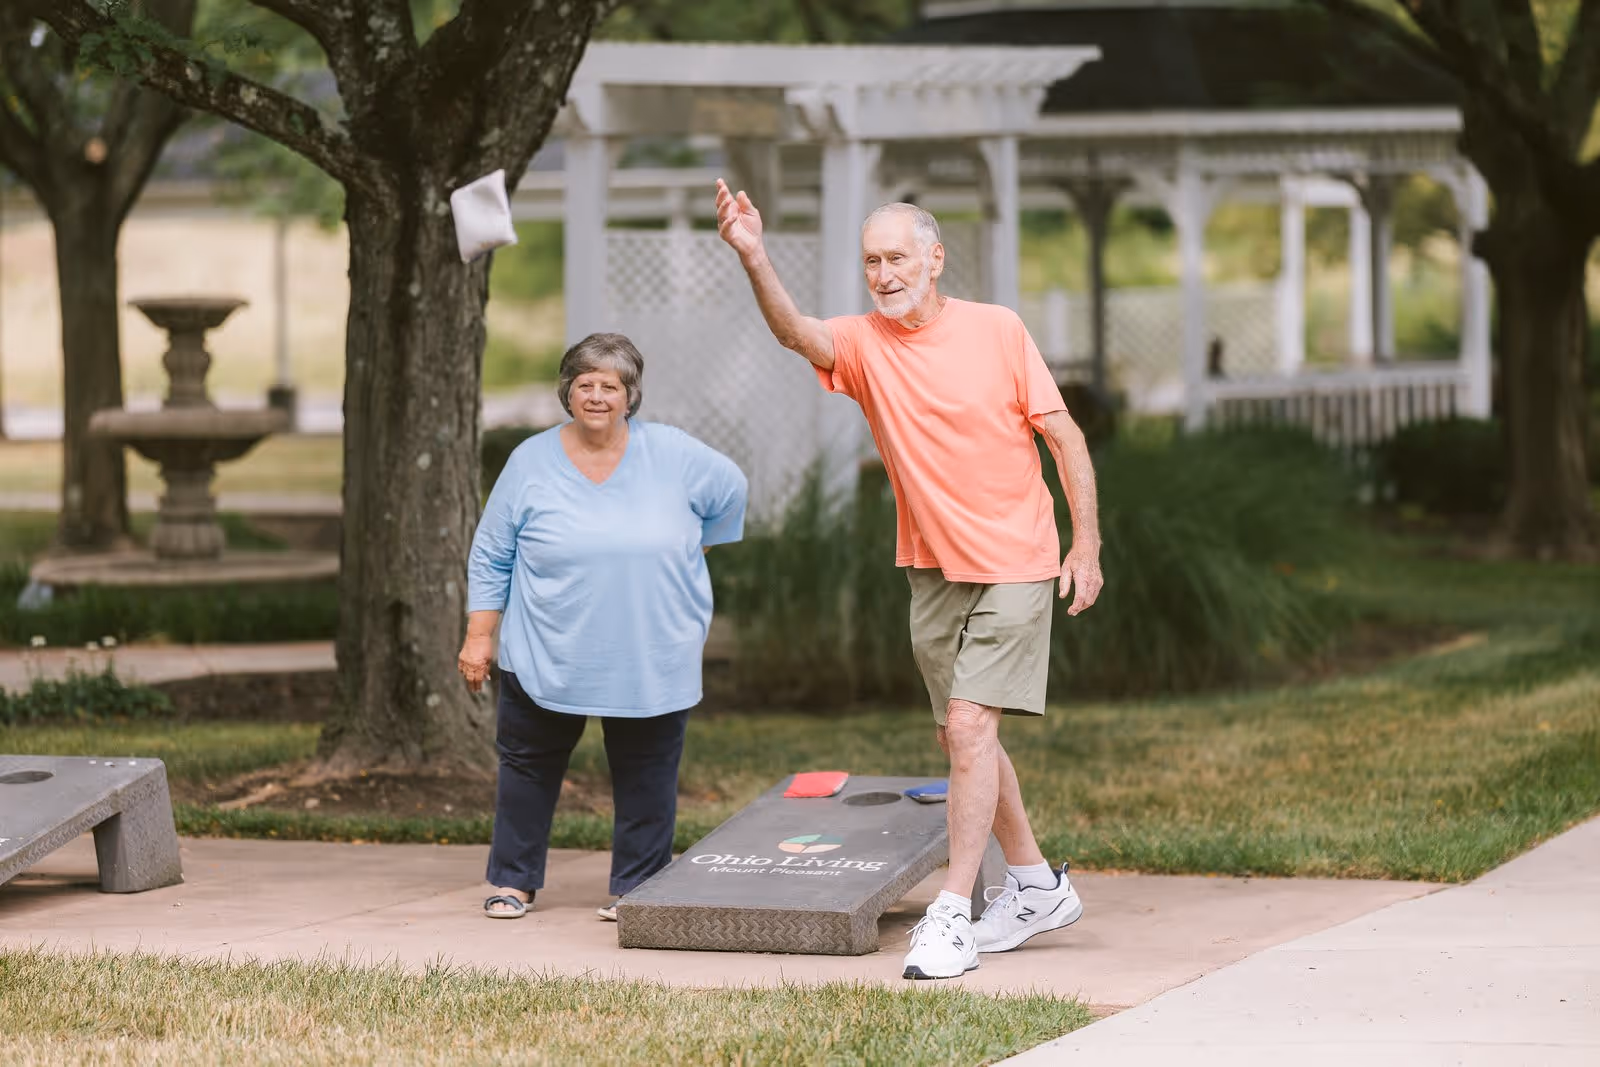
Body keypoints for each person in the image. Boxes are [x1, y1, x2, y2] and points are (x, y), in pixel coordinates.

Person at [714, 180, 1105, 980]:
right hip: (932, 564)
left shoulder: (997, 329)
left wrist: (1086, 542)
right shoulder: (863, 343)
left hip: (1018, 556)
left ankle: (952, 911)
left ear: (935, 258)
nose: (884, 273)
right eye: (871, 262)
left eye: (897, 257)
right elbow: (795, 332)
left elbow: (1064, 438)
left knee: (968, 729)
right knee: (962, 737)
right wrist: (754, 254)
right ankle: (1034, 882)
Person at [458, 332, 748, 922]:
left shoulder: (673, 452)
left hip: (649, 650)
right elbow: (492, 553)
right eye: (585, 384)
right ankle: (513, 881)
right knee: (527, 767)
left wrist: (695, 548)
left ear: (629, 395)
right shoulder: (530, 460)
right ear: (568, 393)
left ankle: (636, 886)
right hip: (546, 646)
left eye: (609, 386)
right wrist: (479, 636)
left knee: (647, 773)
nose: (596, 396)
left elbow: (730, 491)